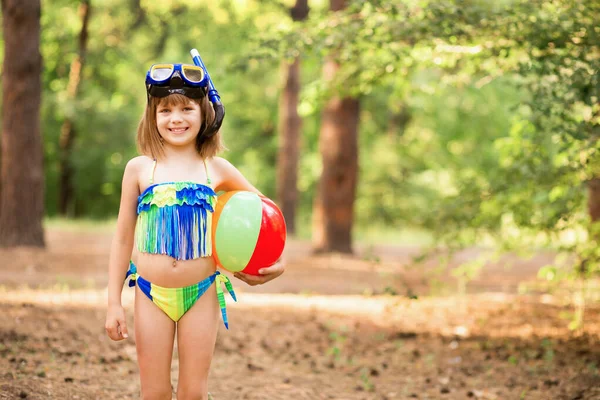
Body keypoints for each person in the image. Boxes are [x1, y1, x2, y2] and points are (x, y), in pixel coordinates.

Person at [104, 59, 285, 400]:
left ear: (206, 114)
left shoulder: (216, 169)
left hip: (201, 294)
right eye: (165, 111)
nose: (175, 118)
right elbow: (123, 237)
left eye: (186, 108)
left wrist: (273, 263)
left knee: (193, 393)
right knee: (154, 393)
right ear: (152, 117)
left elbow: (266, 215)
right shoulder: (140, 169)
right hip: (150, 293)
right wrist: (114, 302)